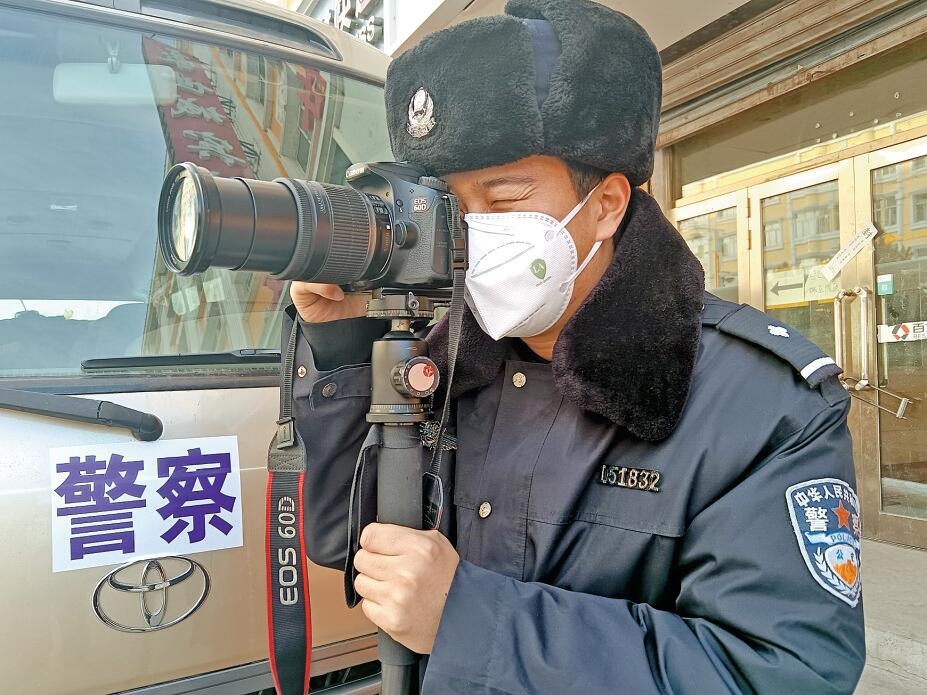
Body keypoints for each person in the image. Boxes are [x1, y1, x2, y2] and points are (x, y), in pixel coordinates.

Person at [285, 0, 866, 692]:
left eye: (503, 199)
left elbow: (780, 671)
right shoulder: (445, 368)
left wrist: (472, 620)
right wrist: (346, 341)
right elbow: (349, 544)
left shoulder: (759, 403)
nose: (471, 234)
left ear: (607, 205)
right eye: (451, 207)